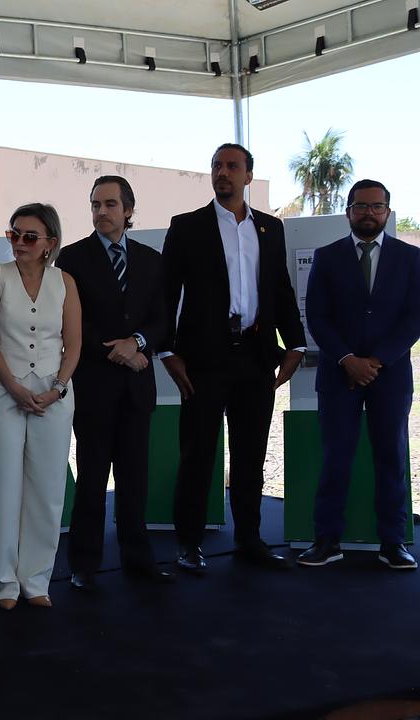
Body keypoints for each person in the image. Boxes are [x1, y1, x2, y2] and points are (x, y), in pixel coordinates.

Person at [159, 143, 306, 575]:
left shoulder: (270, 228)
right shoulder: (187, 226)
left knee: (250, 455)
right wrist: (167, 351)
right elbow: (166, 293)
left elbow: (280, 289)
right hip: (203, 359)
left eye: (231, 166)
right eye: (216, 166)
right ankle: (188, 544)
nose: (222, 173)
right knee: (198, 454)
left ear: (248, 175)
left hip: (256, 356)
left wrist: (295, 345)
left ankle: (249, 540)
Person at [57, 176, 174, 590]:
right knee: (91, 480)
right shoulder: (71, 258)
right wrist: (117, 350)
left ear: (128, 210)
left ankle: (138, 561)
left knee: (134, 480)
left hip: (137, 388)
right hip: (93, 387)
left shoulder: (150, 259)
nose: (101, 212)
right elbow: (70, 321)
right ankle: (84, 565)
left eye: (109, 204)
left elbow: (162, 318)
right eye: (95, 204)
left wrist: (137, 342)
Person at [298, 179, 420, 570]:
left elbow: (414, 317)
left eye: (376, 206)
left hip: (391, 375)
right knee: (335, 458)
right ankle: (326, 540)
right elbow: (317, 316)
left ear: (387, 211)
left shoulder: (411, 258)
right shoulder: (327, 257)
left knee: (391, 458)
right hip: (339, 374)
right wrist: (348, 359)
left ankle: (393, 542)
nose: (369, 213)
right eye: (361, 206)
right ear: (348, 211)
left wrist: (376, 360)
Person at [0, 203, 80, 610]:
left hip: (53, 395)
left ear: (50, 242)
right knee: (2, 486)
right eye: (13, 234)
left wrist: (58, 388)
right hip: (3, 392)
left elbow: (74, 344)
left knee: (48, 489)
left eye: (29, 236)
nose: (19, 242)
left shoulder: (65, 282)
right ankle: (3, 582)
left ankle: (36, 580)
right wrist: (14, 387)